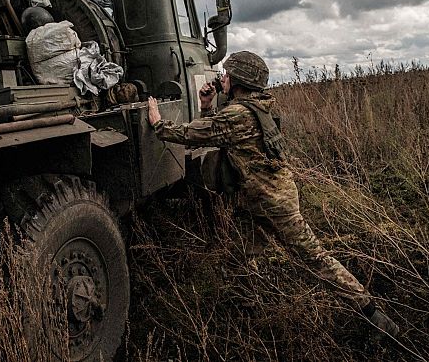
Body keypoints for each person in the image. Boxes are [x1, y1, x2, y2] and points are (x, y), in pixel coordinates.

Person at [146, 51, 400, 338]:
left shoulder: (238, 114)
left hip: (272, 202)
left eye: (227, 74)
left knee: (314, 257)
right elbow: (220, 134)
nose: (223, 78)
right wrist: (208, 105)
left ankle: (373, 314)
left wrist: (157, 123)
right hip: (256, 199)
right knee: (243, 254)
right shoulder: (254, 108)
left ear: (239, 80)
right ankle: (247, 306)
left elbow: (195, 134)